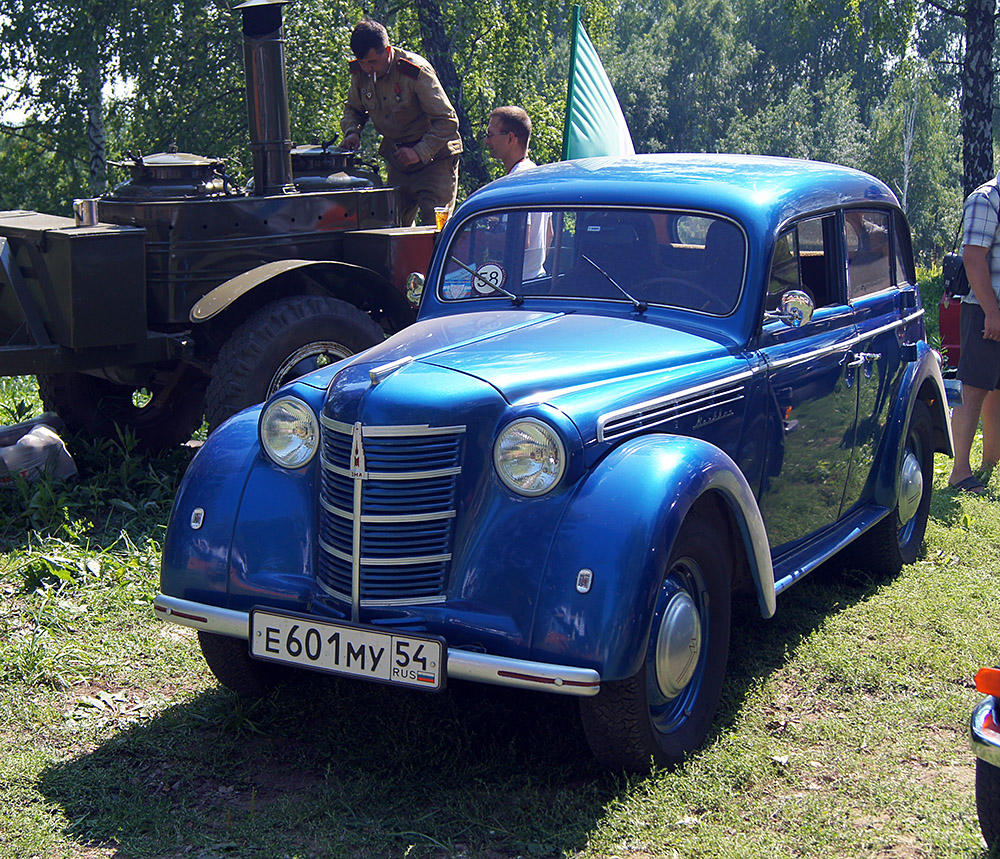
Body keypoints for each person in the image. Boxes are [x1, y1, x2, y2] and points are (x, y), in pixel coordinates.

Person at [339, 19, 462, 227]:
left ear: (387, 51)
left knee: (438, 230)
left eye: (372, 62)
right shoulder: (362, 73)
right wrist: (353, 132)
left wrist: (419, 152)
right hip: (399, 162)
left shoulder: (414, 71)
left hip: (435, 161)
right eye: (362, 63)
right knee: (391, 228)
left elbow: (448, 120)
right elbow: (353, 109)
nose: (368, 69)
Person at [947, 175, 1000, 493]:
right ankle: (959, 472)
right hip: (986, 308)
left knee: (997, 390)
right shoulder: (986, 199)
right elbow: (973, 257)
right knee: (975, 388)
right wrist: (992, 311)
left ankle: (991, 461)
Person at [484, 105, 549, 278]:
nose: (486, 141)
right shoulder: (538, 175)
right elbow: (549, 235)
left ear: (510, 138)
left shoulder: (517, 183)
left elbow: (520, 240)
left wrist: (478, 237)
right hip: (536, 278)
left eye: (490, 135)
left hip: (516, 287)